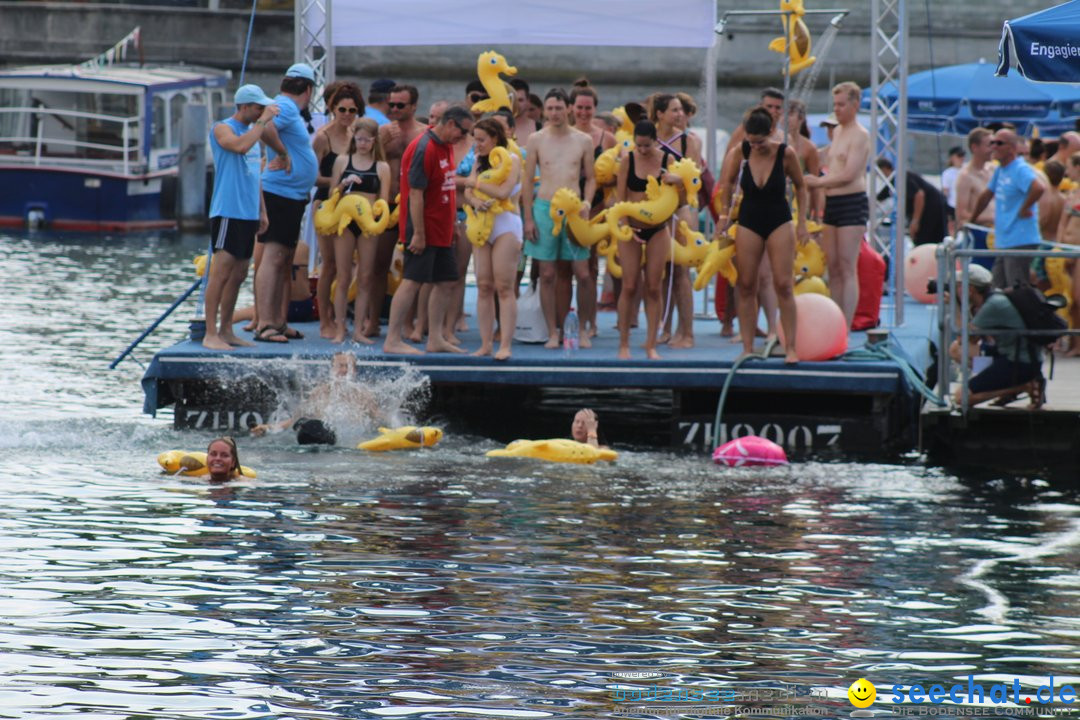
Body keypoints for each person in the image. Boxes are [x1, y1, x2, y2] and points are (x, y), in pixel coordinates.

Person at [717, 107, 808, 363]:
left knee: (783, 284)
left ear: (771, 132)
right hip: (749, 219)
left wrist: (802, 222)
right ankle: (747, 347)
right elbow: (726, 184)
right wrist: (724, 217)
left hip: (779, 218)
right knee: (745, 284)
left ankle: (791, 346)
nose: (755, 146)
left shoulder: (785, 153)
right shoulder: (741, 151)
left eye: (760, 141)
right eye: (751, 141)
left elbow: (802, 187)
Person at [383, 106, 474, 355]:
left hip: (442, 226)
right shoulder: (424, 147)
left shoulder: (445, 145)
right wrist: (419, 234)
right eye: (463, 131)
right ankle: (392, 339)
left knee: (446, 281)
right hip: (422, 227)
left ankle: (435, 338)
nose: (464, 137)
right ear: (451, 124)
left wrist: (452, 224)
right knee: (412, 281)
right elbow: (415, 193)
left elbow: (445, 187)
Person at [202, 84, 277, 351]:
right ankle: (210, 332)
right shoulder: (223, 128)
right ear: (244, 106)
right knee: (221, 273)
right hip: (228, 211)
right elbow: (239, 148)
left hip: (248, 212)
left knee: (240, 274)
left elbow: (256, 175)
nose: (262, 112)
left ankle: (226, 330)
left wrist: (262, 211)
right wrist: (263, 123)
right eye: (258, 108)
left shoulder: (253, 133)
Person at [522, 88, 597, 350]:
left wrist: (587, 202)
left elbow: (592, 178)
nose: (554, 113)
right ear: (544, 110)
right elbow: (527, 181)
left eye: (558, 108)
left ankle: (584, 328)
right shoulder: (536, 139)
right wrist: (528, 218)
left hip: (575, 209)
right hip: (545, 208)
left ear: (568, 109)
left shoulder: (583, 140)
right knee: (547, 272)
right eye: (550, 108)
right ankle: (553, 330)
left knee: (583, 273)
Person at [252, 63, 319, 344]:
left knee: (285, 260)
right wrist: (280, 151)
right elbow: (263, 126)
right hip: (280, 193)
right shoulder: (287, 106)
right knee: (274, 257)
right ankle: (265, 323)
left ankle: (278, 322)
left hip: (290, 195)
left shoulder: (284, 105)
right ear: (309, 89)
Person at [614, 120, 683, 361]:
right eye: (638, 145)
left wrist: (680, 184)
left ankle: (651, 344)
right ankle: (624, 344)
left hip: (658, 229)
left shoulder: (668, 161)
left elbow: (680, 202)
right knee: (630, 285)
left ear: (655, 141)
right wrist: (624, 227)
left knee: (654, 287)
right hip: (631, 227)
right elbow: (620, 199)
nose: (642, 150)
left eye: (646, 145)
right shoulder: (628, 160)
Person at [805, 81, 871, 328]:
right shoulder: (839, 132)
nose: (838, 109)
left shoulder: (860, 135)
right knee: (832, 265)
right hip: (833, 202)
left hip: (851, 202)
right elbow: (824, 156)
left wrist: (817, 182)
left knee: (846, 265)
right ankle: (834, 319)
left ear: (855, 105)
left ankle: (846, 321)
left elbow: (849, 174)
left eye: (842, 104)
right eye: (835, 105)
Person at [369, 84, 427, 339]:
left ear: (414, 106)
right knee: (377, 264)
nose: (393, 109)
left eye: (400, 105)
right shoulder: (383, 132)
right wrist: (380, 143)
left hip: (413, 204)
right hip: (387, 203)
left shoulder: (424, 134)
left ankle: (408, 322)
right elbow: (362, 160)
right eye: (391, 104)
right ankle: (372, 321)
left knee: (412, 267)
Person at [463, 117, 523, 361]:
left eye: (481, 140)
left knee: (504, 287)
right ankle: (486, 343)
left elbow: (503, 192)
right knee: (483, 286)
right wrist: (476, 201)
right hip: (481, 223)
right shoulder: (478, 160)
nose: (477, 144)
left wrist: (475, 184)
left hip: (506, 224)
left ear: (495, 138)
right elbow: (467, 191)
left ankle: (505, 344)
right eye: (475, 139)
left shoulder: (513, 160)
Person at [328, 116, 391, 344]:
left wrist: (374, 218)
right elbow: (331, 195)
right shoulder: (343, 161)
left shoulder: (382, 167)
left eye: (367, 140)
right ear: (354, 138)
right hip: (345, 221)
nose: (363, 143)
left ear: (375, 141)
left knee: (365, 278)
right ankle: (340, 328)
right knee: (343, 276)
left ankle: (358, 330)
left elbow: (383, 202)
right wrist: (344, 184)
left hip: (367, 225)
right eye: (360, 139)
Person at [951, 264, 1044, 409]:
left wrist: (955, 308)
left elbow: (964, 340)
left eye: (958, 286)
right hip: (1012, 354)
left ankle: (1023, 386)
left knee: (961, 397)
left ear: (969, 290)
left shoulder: (993, 306)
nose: (955, 291)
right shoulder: (995, 297)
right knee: (956, 350)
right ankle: (1003, 382)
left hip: (1019, 363)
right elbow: (972, 341)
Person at [311, 82, 364, 339]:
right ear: (333, 109)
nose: (347, 114)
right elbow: (311, 176)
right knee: (329, 265)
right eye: (342, 109)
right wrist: (337, 183)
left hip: (355, 205)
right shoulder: (323, 136)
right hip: (326, 203)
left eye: (352, 110)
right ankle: (325, 320)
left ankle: (343, 316)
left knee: (350, 266)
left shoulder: (359, 135)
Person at [969, 128, 1045, 289]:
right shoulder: (1001, 170)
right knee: (997, 289)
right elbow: (986, 195)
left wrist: (1024, 209)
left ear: (1011, 148)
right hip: (1005, 241)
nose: (994, 147)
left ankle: (1028, 314)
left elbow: (1038, 188)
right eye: (992, 143)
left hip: (1021, 239)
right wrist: (971, 219)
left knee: (1016, 290)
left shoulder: (1019, 169)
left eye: (999, 143)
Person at [250, 351, 381, 444]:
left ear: (355, 371)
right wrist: (269, 428)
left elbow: (379, 421)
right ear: (332, 369)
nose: (345, 370)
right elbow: (295, 419)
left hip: (353, 444)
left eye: (349, 366)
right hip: (323, 443)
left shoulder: (364, 394)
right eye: (341, 366)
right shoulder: (319, 392)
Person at [568, 81, 614, 341]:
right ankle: (566, 319)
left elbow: (618, 173)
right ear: (572, 108)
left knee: (591, 269)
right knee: (567, 268)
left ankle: (590, 321)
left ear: (595, 109)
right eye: (580, 107)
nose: (584, 112)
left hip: (595, 207)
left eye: (589, 108)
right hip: (567, 207)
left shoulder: (606, 139)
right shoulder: (564, 134)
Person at [874, 158, 948, 246]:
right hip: (930, 212)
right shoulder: (892, 182)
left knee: (925, 241)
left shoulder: (902, 177)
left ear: (884, 168)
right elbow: (878, 198)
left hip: (931, 211)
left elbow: (919, 195)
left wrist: (915, 221)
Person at [954, 128, 996, 249]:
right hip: (979, 235)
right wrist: (992, 217)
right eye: (989, 144)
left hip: (997, 234)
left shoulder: (993, 170)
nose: (993, 148)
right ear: (974, 147)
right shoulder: (965, 177)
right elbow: (961, 216)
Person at [1055, 152, 1080, 356]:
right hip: (1068, 251)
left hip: (1078, 252)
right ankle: (1073, 341)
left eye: (1070, 167)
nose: (1067, 171)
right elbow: (1062, 224)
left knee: (1078, 298)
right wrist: (1059, 249)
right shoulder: (1072, 194)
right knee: (1070, 298)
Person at [941, 145, 965, 236]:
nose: (962, 158)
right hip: (952, 206)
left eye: (963, 155)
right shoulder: (947, 173)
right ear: (952, 157)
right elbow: (945, 191)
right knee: (952, 230)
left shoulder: (966, 170)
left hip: (964, 206)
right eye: (959, 155)